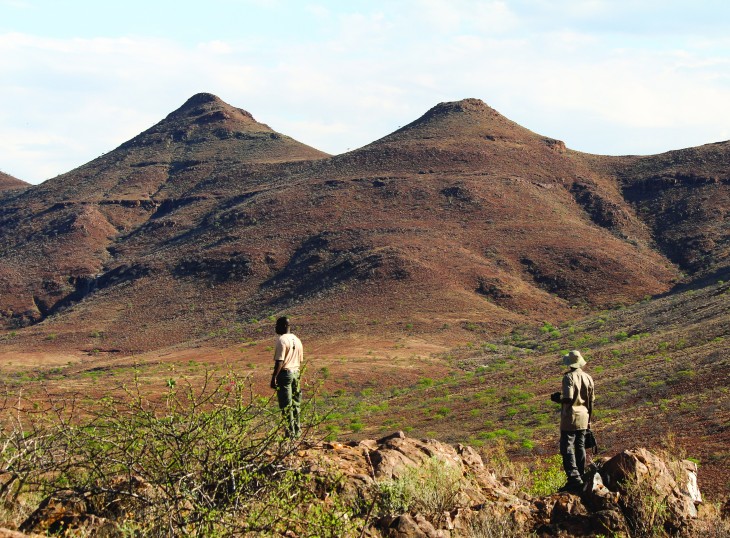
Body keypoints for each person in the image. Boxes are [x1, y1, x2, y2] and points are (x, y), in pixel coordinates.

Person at [551, 349, 595, 491]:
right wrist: (589, 420)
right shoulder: (588, 378)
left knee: (567, 447)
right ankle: (581, 476)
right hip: (584, 416)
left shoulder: (568, 377)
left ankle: (574, 478)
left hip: (570, 417)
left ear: (569, 363)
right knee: (580, 446)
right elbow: (591, 401)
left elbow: (568, 398)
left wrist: (558, 399)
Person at [270, 316, 303, 438]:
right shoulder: (297, 339)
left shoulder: (282, 340)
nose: (275, 328)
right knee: (296, 404)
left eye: (277, 325)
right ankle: (297, 432)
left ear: (284, 326)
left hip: (285, 374)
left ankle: (290, 434)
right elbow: (300, 360)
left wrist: (274, 377)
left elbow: (279, 361)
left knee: (286, 405)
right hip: (296, 373)